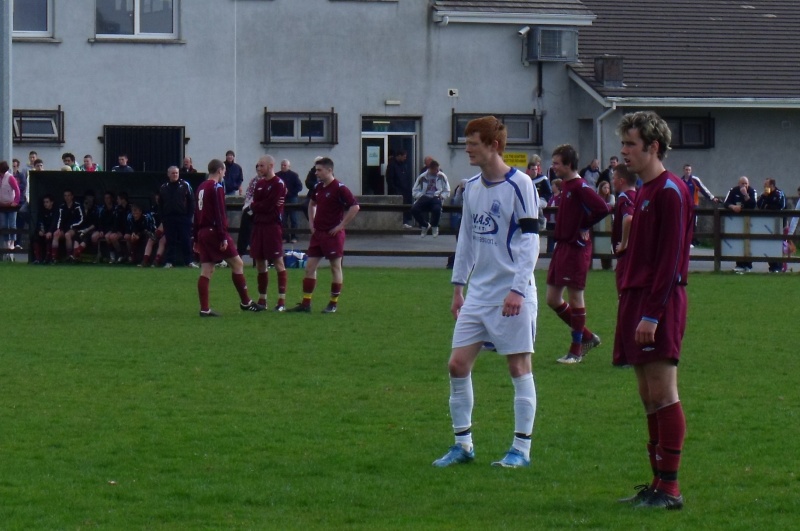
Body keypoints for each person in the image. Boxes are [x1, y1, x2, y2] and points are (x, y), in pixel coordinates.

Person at [431, 115, 540, 469]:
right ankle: (463, 444)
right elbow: (466, 239)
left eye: (473, 144)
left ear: (494, 146)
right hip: (478, 293)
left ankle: (521, 449)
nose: (467, 150)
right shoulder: (472, 187)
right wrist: (458, 287)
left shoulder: (521, 184)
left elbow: (531, 240)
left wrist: (518, 289)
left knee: (518, 367)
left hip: (512, 292)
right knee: (457, 364)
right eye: (467, 143)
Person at [614, 110, 693, 510]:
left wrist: (652, 313)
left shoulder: (671, 191)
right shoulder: (644, 190)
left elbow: (671, 259)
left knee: (663, 393)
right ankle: (657, 483)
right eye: (623, 143)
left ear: (653, 146)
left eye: (631, 144)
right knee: (648, 395)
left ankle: (671, 489)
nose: (624, 152)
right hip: (637, 299)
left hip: (658, 303)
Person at [546, 144, 612, 364]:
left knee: (575, 296)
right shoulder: (566, 185)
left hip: (575, 248)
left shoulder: (580, 187)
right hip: (562, 247)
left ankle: (576, 350)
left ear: (568, 165)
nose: (553, 167)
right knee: (552, 298)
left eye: (557, 163)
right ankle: (587, 337)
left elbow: (603, 208)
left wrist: (584, 225)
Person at [288, 157, 360, 313]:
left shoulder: (340, 188)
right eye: (316, 170)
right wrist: (311, 222)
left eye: (319, 170)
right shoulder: (318, 187)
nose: (316, 173)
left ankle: (333, 304)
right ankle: (306, 304)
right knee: (309, 267)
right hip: (318, 234)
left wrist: (341, 225)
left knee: (335, 267)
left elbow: (355, 207)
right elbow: (311, 204)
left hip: (332, 234)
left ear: (329, 170)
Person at [194, 159, 264, 316]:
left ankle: (204, 309)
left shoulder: (201, 187)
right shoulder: (216, 187)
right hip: (214, 231)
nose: (224, 174)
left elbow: (196, 213)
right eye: (224, 171)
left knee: (206, 270)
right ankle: (246, 302)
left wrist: (196, 237)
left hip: (203, 232)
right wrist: (223, 236)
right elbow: (220, 213)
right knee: (238, 263)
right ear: (220, 170)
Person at [250, 155, 289, 310]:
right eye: (258, 165)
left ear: (271, 166)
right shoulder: (259, 184)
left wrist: (257, 206)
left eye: (262, 166)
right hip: (258, 226)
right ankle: (262, 300)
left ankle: (281, 301)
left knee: (278, 262)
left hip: (272, 226)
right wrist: (258, 206)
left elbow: (269, 206)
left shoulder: (278, 184)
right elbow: (256, 203)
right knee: (260, 262)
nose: (259, 168)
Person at [159, 166, 196, 268]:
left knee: (186, 240)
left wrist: (189, 216)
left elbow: (192, 201)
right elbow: (160, 204)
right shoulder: (163, 187)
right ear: (168, 174)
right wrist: (163, 218)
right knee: (170, 241)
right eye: (173, 173)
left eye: (176, 173)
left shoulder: (185, 185)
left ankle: (189, 261)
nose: (175, 175)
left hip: (183, 218)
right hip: (169, 218)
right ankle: (169, 261)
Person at [610, 164, 638, 292]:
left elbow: (628, 219)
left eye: (613, 178)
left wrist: (624, 243)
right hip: (638, 253)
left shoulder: (624, 197)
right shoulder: (639, 195)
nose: (612, 181)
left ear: (621, 181)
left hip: (626, 255)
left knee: (623, 295)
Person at [723, 176, 757, 273]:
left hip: (749, 221)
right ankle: (739, 264)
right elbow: (726, 203)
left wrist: (746, 195)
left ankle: (748, 265)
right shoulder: (733, 190)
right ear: (739, 184)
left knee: (748, 242)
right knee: (738, 241)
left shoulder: (752, 191)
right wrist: (733, 207)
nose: (744, 185)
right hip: (736, 221)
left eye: (746, 183)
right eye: (742, 183)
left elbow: (753, 205)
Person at [680, 164, 718, 246]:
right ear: (683, 170)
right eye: (686, 170)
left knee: (694, 222)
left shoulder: (695, 180)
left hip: (694, 205)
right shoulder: (680, 181)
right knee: (684, 222)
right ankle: (684, 240)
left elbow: (703, 189)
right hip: (684, 206)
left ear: (691, 171)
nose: (687, 171)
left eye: (689, 170)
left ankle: (693, 240)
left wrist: (712, 198)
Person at [411, 159, 451, 238]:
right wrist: (421, 196)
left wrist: (442, 196)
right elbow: (415, 190)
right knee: (414, 209)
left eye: (438, 169)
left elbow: (447, 190)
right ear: (430, 169)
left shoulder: (442, 176)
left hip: (436, 197)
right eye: (436, 170)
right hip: (424, 197)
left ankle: (434, 226)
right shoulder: (422, 177)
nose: (437, 171)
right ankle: (425, 225)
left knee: (437, 209)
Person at [757, 178, 787, 273]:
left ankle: (778, 266)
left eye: (766, 185)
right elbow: (759, 206)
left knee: (778, 244)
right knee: (769, 244)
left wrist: (767, 206)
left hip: (779, 223)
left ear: (772, 185)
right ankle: (772, 266)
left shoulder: (779, 193)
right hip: (767, 223)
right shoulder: (764, 195)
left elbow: (780, 206)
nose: (764, 187)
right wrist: (764, 196)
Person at [52, 189, 84, 263]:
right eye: (65, 196)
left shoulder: (77, 206)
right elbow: (59, 219)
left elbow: (81, 219)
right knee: (56, 235)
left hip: (74, 228)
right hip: (64, 228)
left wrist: (72, 226)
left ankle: (69, 256)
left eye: (69, 195)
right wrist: (58, 229)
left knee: (67, 235)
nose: (67, 197)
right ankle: (54, 258)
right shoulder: (62, 207)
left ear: (72, 196)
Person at [276, 159, 303, 243]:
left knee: (293, 218)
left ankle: (294, 237)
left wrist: (290, 192)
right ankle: (285, 237)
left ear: (289, 166)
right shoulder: (277, 175)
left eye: (285, 165)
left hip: (292, 198)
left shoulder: (294, 175)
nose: (283, 167)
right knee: (283, 219)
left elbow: (299, 187)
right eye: (282, 165)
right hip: (282, 198)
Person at [386, 149, 413, 228]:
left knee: (405, 206)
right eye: (404, 156)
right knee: (398, 207)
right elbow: (390, 179)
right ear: (399, 156)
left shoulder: (403, 165)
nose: (405, 158)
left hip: (404, 190)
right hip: (397, 190)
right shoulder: (392, 165)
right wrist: (394, 189)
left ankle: (405, 221)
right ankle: (401, 222)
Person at [0, 161, 21, 258]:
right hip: (2, 205)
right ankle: (6, 243)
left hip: (11, 205)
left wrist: (16, 202)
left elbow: (17, 190)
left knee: (12, 224)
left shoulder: (10, 177)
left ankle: (12, 242)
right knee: (3, 224)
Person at [596, 180, 616, 270]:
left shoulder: (611, 197)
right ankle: (604, 264)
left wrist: (602, 206)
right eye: (605, 187)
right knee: (601, 241)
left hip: (609, 221)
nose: (607, 189)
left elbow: (612, 203)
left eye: (608, 188)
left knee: (609, 241)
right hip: (599, 222)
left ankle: (610, 263)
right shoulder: (597, 197)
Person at [31, 194, 56, 264]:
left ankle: (48, 258)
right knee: (35, 237)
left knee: (49, 238)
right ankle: (37, 259)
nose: (45, 204)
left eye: (47, 202)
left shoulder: (55, 212)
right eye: (44, 202)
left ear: (52, 202)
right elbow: (39, 223)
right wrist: (40, 231)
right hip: (43, 232)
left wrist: (50, 232)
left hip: (51, 232)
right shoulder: (41, 212)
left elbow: (55, 223)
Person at [75, 191, 100, 261]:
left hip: (90, 231)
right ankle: (76, 256)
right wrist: (85, 210)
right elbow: (79, 222)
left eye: (90, 197)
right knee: (76, 237)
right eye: (87, 198)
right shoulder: (81, 209)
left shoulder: (95, 209)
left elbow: (95, 223)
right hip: (81, 230)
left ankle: (76, 254)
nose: (89, 200)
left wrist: (87, 230)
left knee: (87, 237)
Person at [545, 178, 562, 254]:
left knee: (558, 236)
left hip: (557, 221)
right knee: (550, 236)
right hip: (550, 220)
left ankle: (559, 251)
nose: (552, 187)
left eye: (553, 185)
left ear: (557, 186)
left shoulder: (561, 196)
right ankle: (549, 251)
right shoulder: (551, 196)